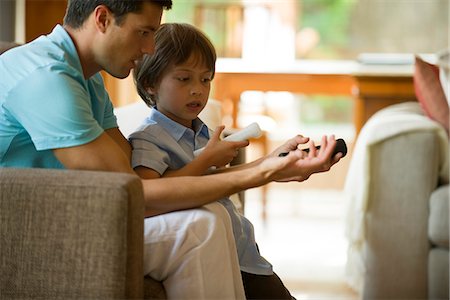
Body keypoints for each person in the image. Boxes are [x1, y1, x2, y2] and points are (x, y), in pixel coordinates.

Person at [0, 0, 341, 298]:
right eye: (144, 32)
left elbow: (133, 179)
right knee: (199, 227)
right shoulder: (46, 77)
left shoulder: (87, 79)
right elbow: (132, 197)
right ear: (102, 18)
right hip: (26, 233)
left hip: (79, 216)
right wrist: (261, 173)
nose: (149, 48)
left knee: (214, 216)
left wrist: (270, 164)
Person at [131, 23, 342, 299]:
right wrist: (207, 159)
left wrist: (274, 162)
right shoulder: (148, 138)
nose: (198, 90)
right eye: (184, 79)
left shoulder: (202, 130)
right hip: (216, 255)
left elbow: (214, 183)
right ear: (150, 84)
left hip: (243, 253)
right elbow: (149, 194)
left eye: (205, 79)